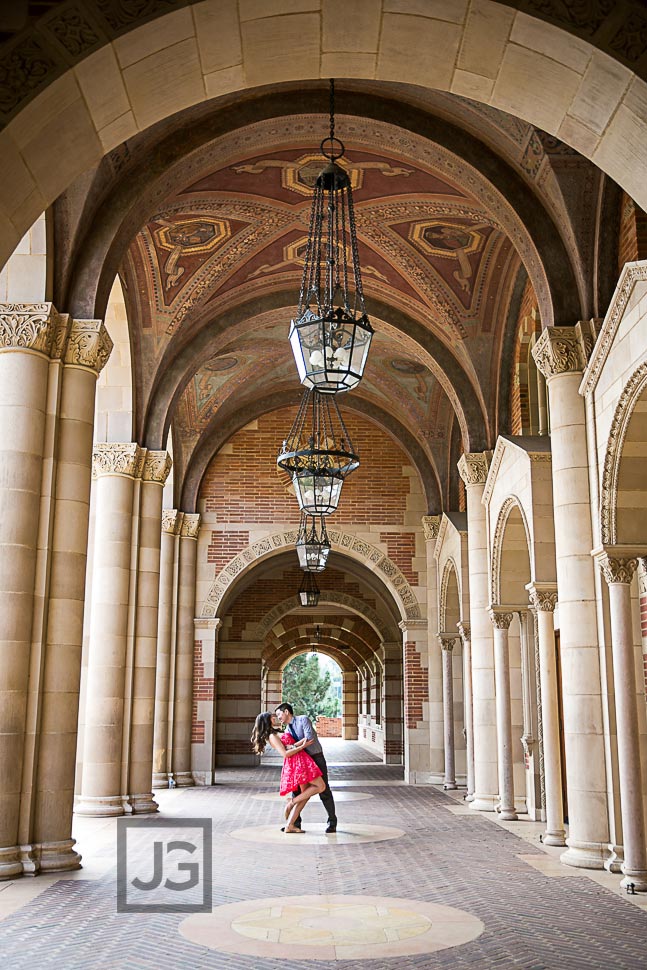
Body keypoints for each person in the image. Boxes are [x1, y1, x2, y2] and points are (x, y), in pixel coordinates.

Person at [251, 712, 325, 833]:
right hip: (297, 763)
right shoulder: (272, 736)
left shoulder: (274, 733)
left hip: (301, 759)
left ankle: (290, 825)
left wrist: (302, 742)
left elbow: (289, 747)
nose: (274, 718)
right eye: (272, 717)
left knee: (305, 796)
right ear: (267, 720)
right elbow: (285, 754)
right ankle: (291, 802)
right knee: (320, 786)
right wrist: (301, 747)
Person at [275, 702, 338, 833]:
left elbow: (309, 738)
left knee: (324, 790)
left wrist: (293, 746)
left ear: (286, 711)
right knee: (297, 791)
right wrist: (296, 746)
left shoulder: (303, 719)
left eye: (279, 714)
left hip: (316, 758)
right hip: (302, 762)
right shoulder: (287, 729)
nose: (278, 717)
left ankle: (332, 822)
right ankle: (295, 823)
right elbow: (290, 746)